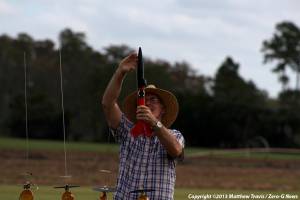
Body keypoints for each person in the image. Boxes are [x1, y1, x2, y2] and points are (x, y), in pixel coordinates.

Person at [102, 52, 185, 200]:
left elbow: (176, 150)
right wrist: (120, 73)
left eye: (153, 100)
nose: (147, 103)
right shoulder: (127, 130)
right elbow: (108, 104)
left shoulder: (175, 135)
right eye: (144, 99)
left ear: (163, 109)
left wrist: (154, 123)